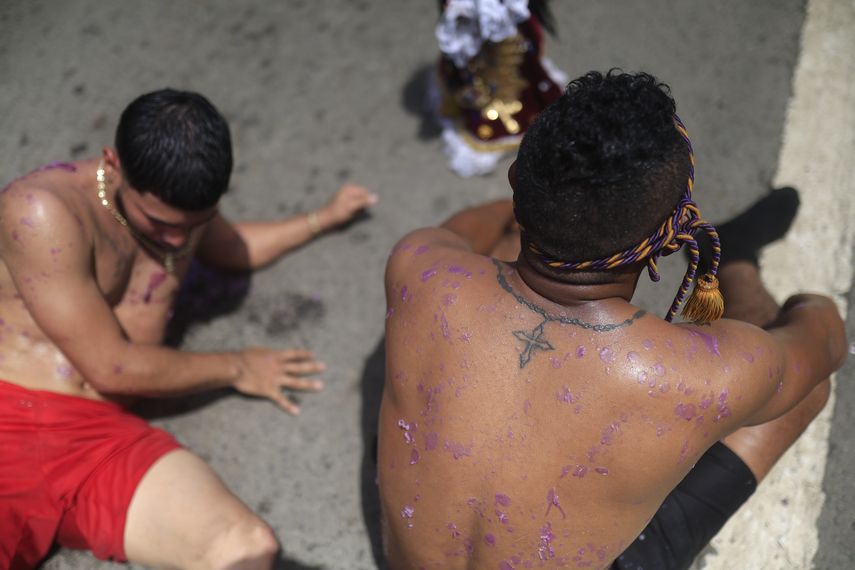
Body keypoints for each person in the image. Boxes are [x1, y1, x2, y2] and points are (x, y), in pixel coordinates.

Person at [377, 71, 847, 569]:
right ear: (669, 239)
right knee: (801, 387)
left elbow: (466, 228)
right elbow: (826, 339)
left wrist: (541, 205)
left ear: (517, 181)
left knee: (494, 258)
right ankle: (736, 260)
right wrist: (798, 311)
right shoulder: (709, 375)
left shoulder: (420, 264)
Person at [0, 89, 377, 569]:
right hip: (12, 419)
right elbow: (112, 367)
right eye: (159, 223)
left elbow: (231, 249)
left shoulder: (181, 204)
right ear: (113, 166)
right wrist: (238, 367)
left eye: (195, 223)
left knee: (245, 548)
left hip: (103, 440)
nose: (178, 240)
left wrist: (320, 219)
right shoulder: (40, 212)